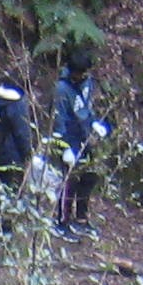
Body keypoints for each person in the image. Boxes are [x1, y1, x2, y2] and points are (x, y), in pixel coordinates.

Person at [52, 48, 107, 240]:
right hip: (69, 137)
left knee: (89, 177)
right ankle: (61, 221)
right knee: (69, 181)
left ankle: (81, 219)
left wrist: (95, 124)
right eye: (81, 73)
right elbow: (59, 120)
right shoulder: (61, 89)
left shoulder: (87, 83)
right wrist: (65, 147)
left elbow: (87, 107)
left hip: (86, 137)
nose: (84, 76)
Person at [0, 76, 36, 240]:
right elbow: (21, 131)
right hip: (13, 154)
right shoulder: (16, 104)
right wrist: (28, 152)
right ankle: (4, 229)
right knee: (13, 190)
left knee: (2, 187)